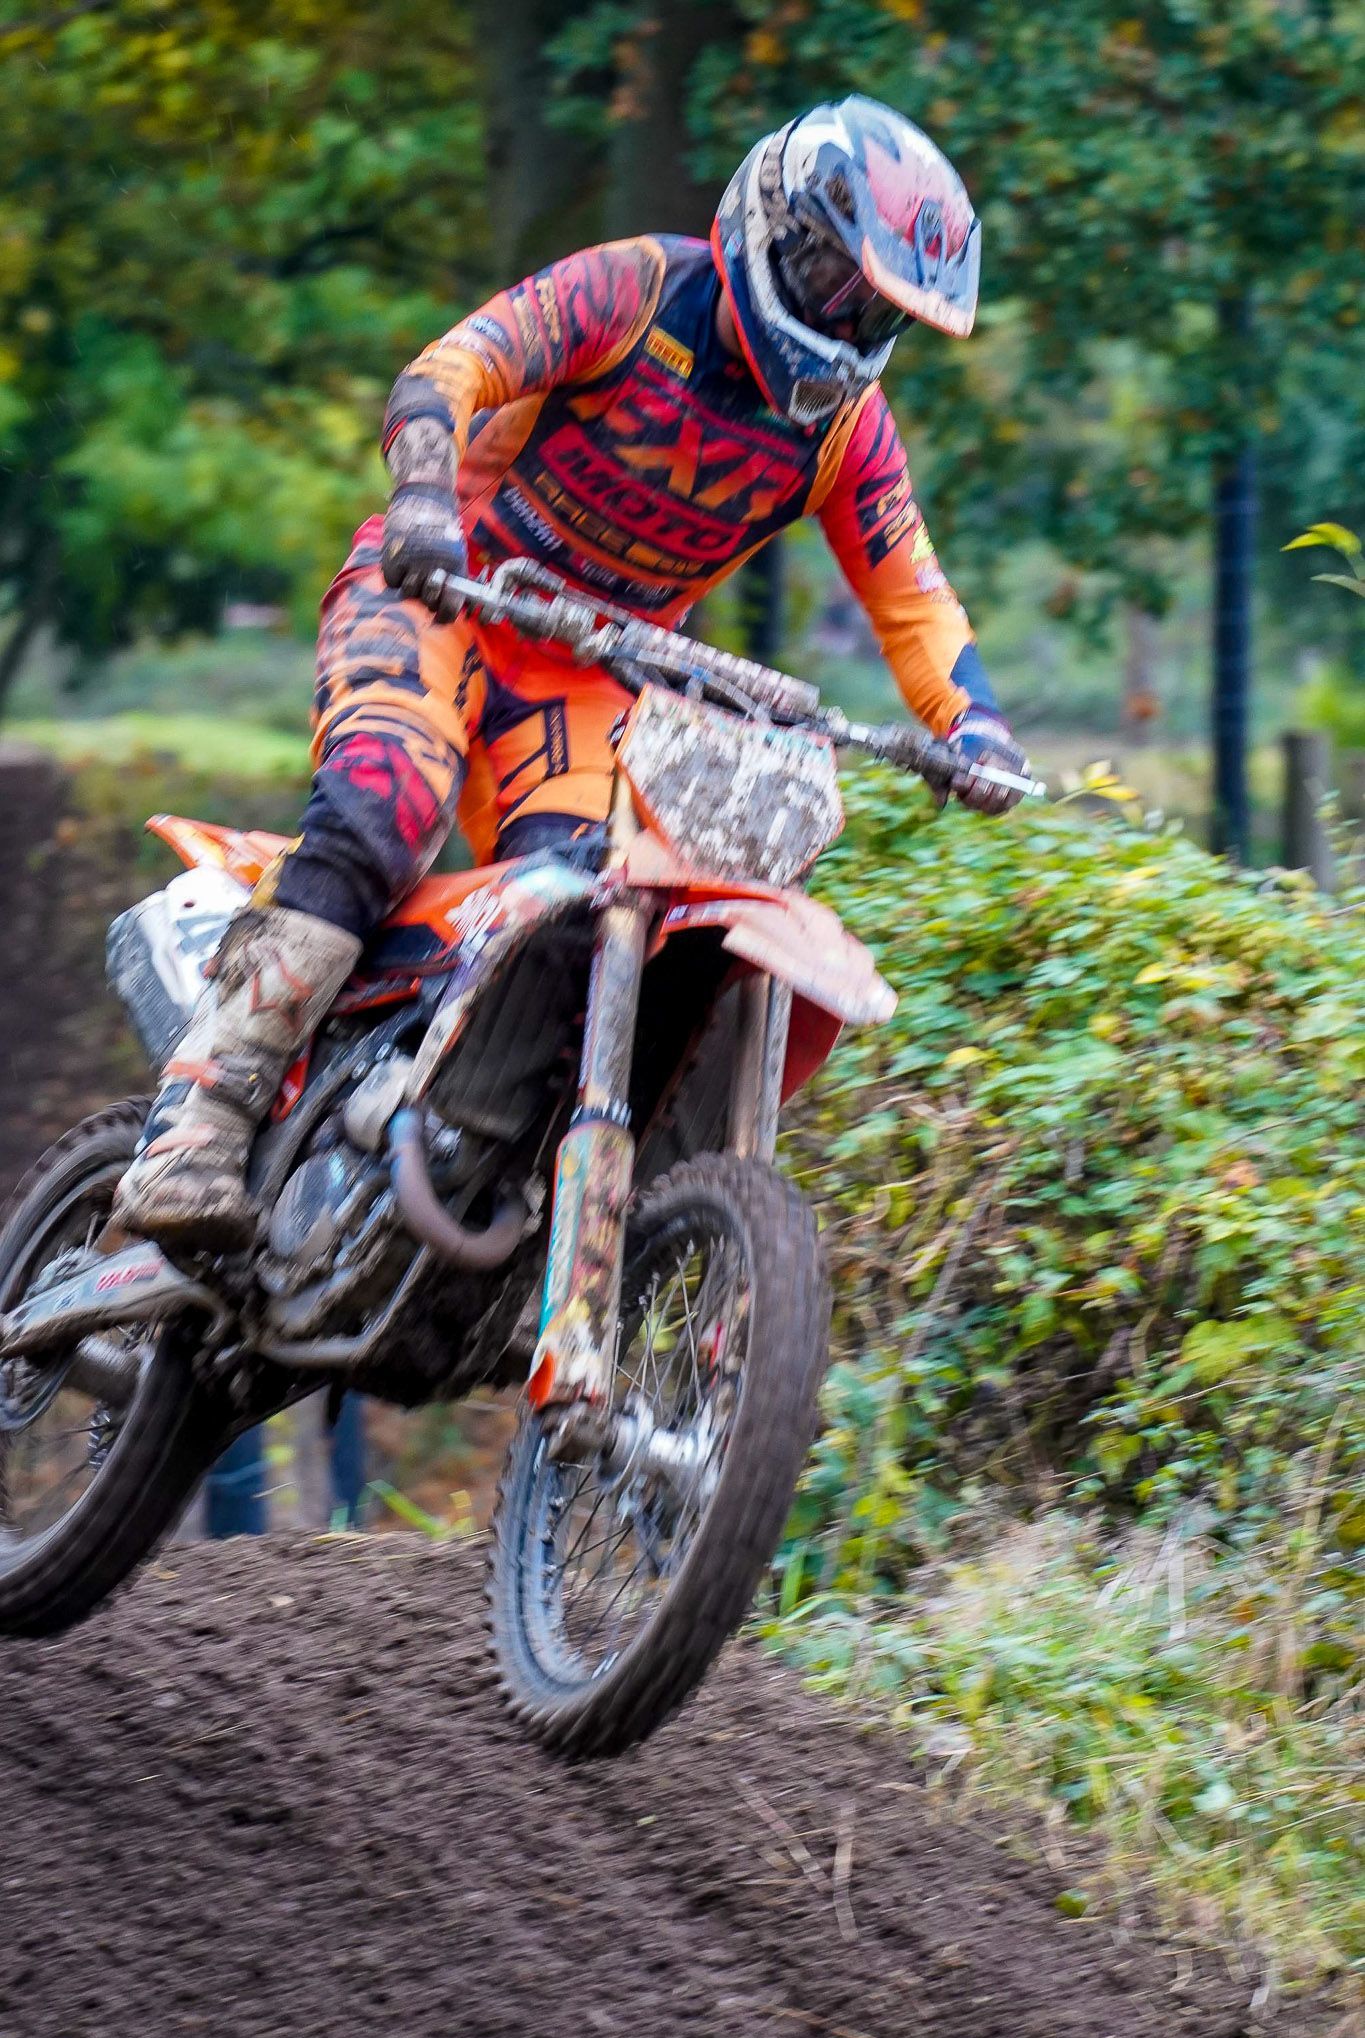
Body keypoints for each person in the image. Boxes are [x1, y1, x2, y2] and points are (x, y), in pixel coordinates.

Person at [113, 94, 1031, 1250]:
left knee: (588, 906)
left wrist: (976, 727)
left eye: (873, 306)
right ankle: (198, 1123)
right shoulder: (636, 291)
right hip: (442, 592)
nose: (843, 317)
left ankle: (458, 1151)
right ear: (771, 221)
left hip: (589, 671)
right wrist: (423, 494)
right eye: (829, 277)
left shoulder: (848, 431)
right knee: (383, 811)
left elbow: (914, 594)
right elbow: (450, 369)